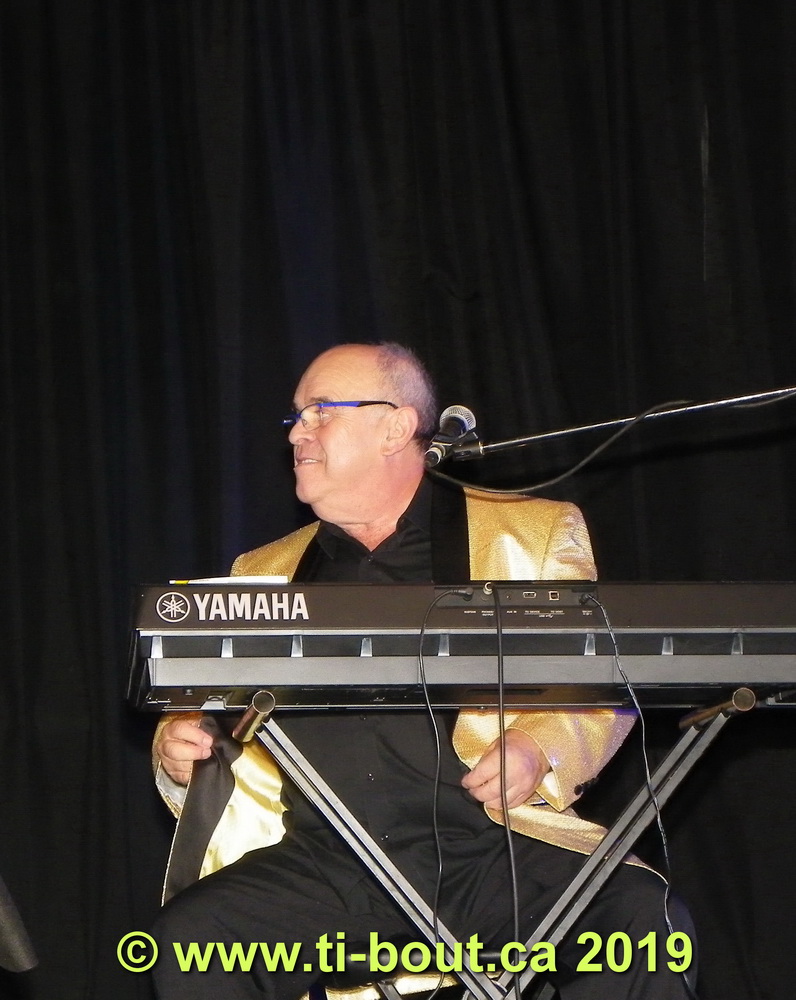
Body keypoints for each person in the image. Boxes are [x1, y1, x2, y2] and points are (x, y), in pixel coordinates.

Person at [151, 342, 693, 999]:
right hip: (326, 868)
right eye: (296, 416)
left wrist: (536, 749)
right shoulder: (260, 572)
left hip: (490, 855)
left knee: (642, 921)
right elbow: (208, 717)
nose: (297, 432)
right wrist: (178, 748)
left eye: (321, 411)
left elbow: (604, 683)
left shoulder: (532, 534)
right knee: (189, 943)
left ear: (396, 427)